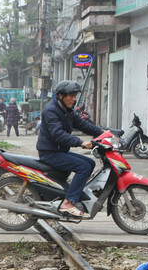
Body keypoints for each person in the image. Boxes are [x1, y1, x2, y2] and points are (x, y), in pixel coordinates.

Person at [37, 80, 108, 218]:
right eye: (70, 96)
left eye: (75, 95)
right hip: (50, 153)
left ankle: (74, 195)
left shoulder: (67, 111)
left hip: (59, 151)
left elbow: (83, 124)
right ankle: (68, 202)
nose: (73, 99)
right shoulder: (51, 111)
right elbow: (58, 134)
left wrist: (105, 133)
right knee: (83, 167)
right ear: (60, 96)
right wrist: (81, 142)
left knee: (91, 163)